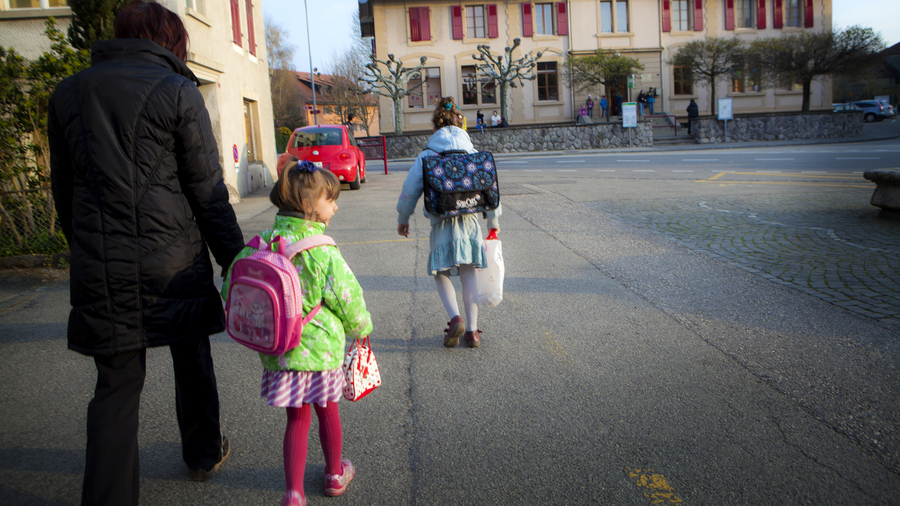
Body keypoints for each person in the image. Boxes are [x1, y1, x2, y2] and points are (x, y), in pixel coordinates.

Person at [47, 1, 245, 504]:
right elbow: (206, 190)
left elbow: (64, 191)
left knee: (116, 385)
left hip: (103, 264)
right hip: (174, 260)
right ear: (170, 41)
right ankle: (203, 452)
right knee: (191, 354)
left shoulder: (68, 93)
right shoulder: (178, 91)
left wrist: (87, 250)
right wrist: (236, 259)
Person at [223, 157, 373, 506]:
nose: (334, 206)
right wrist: (362, 328)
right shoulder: (322, 250)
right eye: (329, 199)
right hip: (321, 353)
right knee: (327, 409)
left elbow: (230, 284)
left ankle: (293, 494)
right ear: (308, 205)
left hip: (280, 350)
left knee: (297, 418)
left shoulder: (260, 243)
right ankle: (335, 474)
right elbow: (347, 297)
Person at [396, 97, 501, 348]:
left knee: (441, 272)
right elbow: (491, 185)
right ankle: (473, 332)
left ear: (434, 128)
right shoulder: (472, 152)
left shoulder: (427, 154)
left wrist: (403, 218)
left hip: (442, 222)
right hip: (470, 222)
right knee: (468, 274)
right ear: (462, 126)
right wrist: (493, 221)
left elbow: (410, 189)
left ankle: (455, 318)